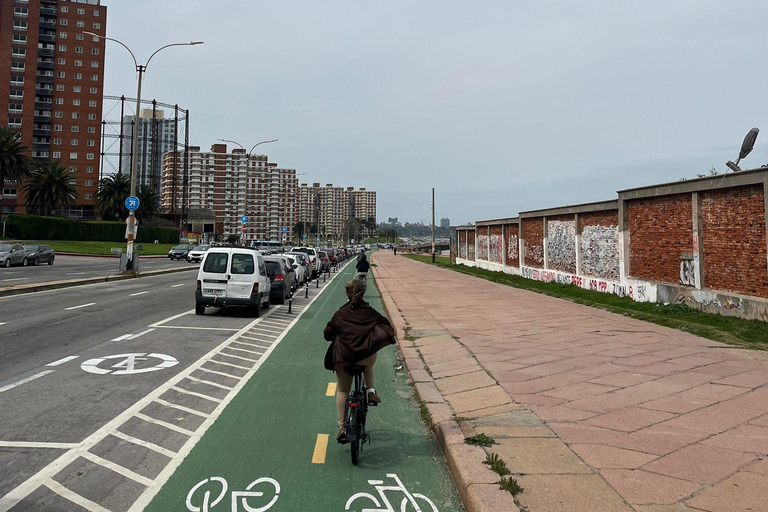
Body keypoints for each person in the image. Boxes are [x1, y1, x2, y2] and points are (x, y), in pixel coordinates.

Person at [323, 279, 395, 443]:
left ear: (347, 293)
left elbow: (327, 334)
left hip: (344, 359)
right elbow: (386, 324)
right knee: (368, 365)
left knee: (342, 390)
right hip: (365, 358)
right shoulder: (369, 312)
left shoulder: (341, 313)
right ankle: (371, 392)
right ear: (363, 293)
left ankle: (341, 426)